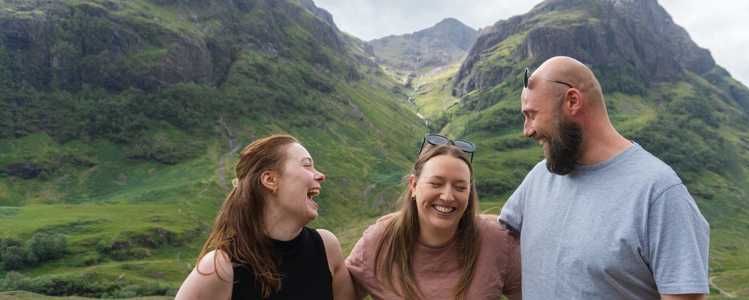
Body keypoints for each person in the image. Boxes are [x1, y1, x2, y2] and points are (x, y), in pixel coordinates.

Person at [499, 56, 710, 299]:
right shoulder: (540, 177)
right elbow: (496, 235)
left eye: (532, 114)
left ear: (572, 101)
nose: (527, 131)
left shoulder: (659, 192)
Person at [175, 134, 354, 300]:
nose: (321, 175)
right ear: (270, 180)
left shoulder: (326, 247)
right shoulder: (219, 269)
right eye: (307, 165)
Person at [346, 135, 521, 300]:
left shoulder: (497, 242)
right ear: (413, 185)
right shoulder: (379, 241)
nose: (447, 196)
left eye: (460, 187)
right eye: (436, 184)